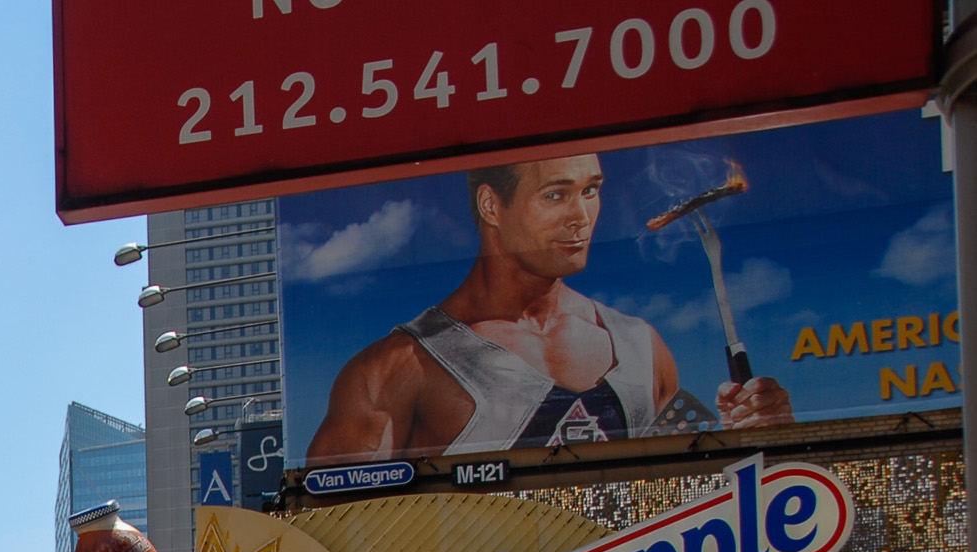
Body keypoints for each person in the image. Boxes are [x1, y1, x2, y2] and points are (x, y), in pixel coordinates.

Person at [306, 155, 792, 465]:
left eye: (590, 190)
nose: (581, 217)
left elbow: (685, 497)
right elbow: (338, 543)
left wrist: (757, 442)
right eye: (555, 194)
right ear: (492, 206)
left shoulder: (640, 347)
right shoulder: (394, 370)